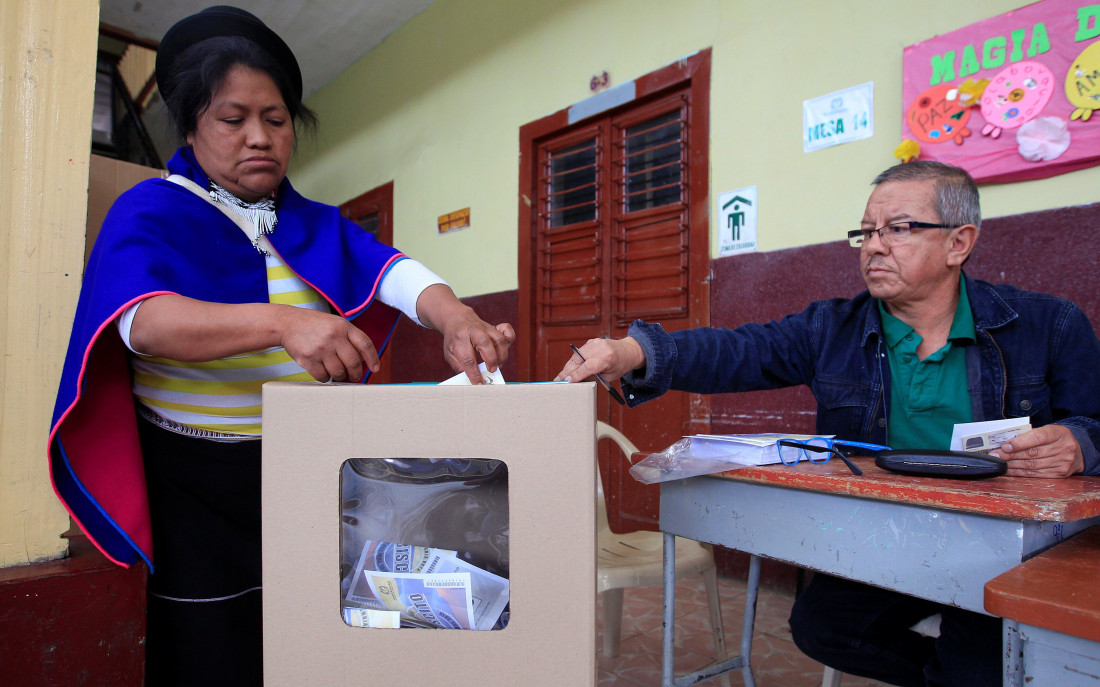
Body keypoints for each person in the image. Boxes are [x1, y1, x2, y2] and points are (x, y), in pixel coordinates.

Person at [48, 6, 513, 685]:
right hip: (192, 482)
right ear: (191, 127)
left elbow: (394, 271)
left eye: (275, 118)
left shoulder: (311, 221)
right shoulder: (151, 209)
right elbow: (141, 322)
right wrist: (282, 323)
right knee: (207, 648)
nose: (258, 137)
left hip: (306, 473)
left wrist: (456, 317)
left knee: (310, 637)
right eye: (232, 119)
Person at [557, 160, 1100, 686]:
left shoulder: (1047, 325)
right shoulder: (830, 329)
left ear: (959, 242)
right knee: (821, 627)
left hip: (1009, 548)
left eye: (899, 229)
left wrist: (1079, 441)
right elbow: (741, 349)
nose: (874, 246)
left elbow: (1096, 423)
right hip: (895, 534)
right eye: (865, 232)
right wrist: (632, 351)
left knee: (980, 656)